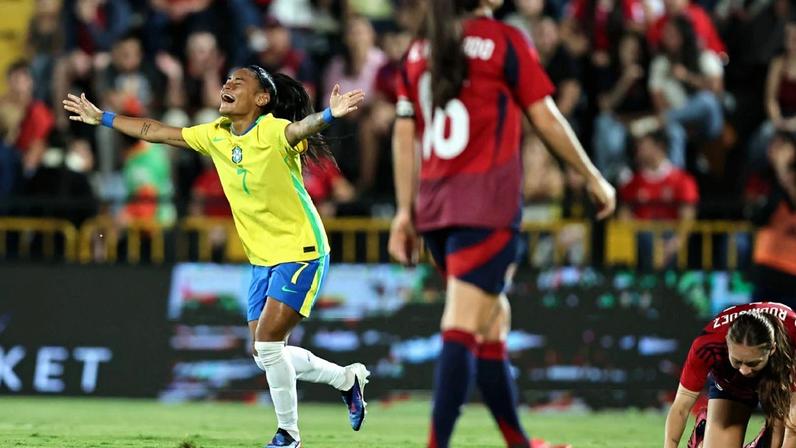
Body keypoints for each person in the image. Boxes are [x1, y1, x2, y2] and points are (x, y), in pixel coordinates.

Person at [63, 65, 369, 448]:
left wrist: (328, 115)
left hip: (302, 249)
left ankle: (288, 435)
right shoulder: (215, 135)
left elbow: (299, 129)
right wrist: (101, 118)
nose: (228, 84)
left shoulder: (272, 130)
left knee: (271, 345)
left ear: (261, 99)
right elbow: (154, 130)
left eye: (238, 82)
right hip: (262, 257)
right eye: (227, 79)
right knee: (264, 351)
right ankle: (346, 379)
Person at [387, 1, 616, 448]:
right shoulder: (505, 42)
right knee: (463, 325)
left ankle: (519, 443)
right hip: (484, 207)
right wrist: (592, 177)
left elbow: (403, 131)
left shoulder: (419, 49)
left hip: (434, 210)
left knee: (493, 322)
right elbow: (545, 115)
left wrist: (402, 210)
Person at [664, 302, 796, 448]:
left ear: (772, 349)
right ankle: (702, 438)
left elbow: (793, 429)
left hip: (781, 372)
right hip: (732, 382)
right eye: (737, 361)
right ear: (727, 343)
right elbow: (681, 407)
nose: (744, 371)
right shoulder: (707, 344)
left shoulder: (793, 340)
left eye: (753, 363)